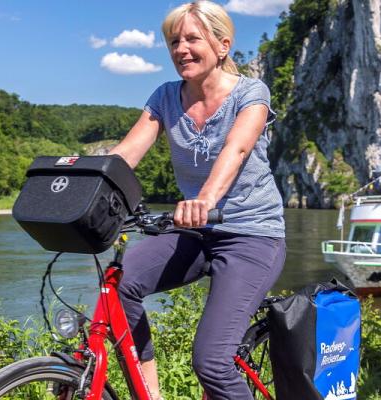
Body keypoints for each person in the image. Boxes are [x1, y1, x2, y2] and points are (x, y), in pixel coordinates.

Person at [106, 1, 285, 398]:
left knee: (212, 362)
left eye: (192, 38)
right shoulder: (166, 96)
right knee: (119, 286)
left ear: (222, 46)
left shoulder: (251, 92)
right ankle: (148, 393)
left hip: (252, 236)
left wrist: (203, 198)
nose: (180, 49)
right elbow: (128, 152)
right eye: (174, 42)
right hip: (194, 231)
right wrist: (83, 181)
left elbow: (236, 150)